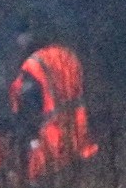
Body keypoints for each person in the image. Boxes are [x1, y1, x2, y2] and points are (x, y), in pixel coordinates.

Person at [10, 27, 98, 178]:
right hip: (80, 131)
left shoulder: (33, 64)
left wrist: (28, 136)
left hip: (51, 138)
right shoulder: (68, 55)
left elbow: (29, 106)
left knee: (44, 186)